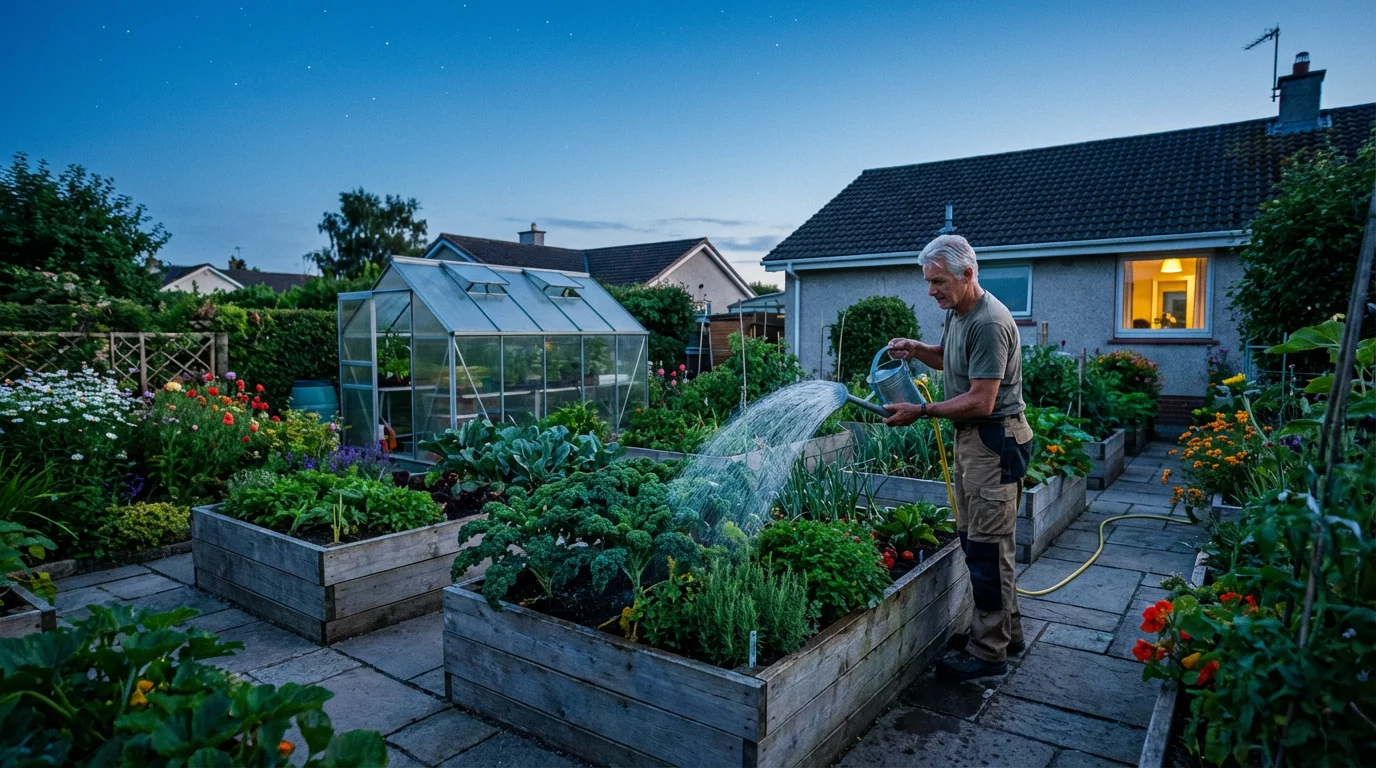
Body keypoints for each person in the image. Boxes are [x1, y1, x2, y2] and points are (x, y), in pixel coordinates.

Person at [881, 234, 1033, 680]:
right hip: (976, 442)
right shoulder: (959, 313)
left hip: (992, 438)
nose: (931, 291)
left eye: (938, 281)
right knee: (980, 544)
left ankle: (988, 653)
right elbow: (950, 359)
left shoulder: (989, 322)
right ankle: (1008, 633)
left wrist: (921, 410)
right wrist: (917, 349)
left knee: (987, 552)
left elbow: (982, 400)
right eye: (929, 282)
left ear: (968, 275)